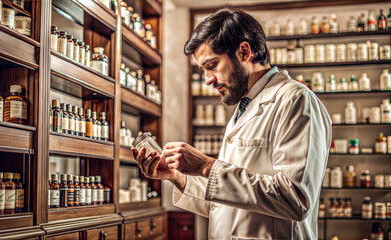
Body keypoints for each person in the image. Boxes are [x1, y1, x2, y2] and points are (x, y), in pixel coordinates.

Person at [132, 8, 332, 240]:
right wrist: (177, 177)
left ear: (244, 52)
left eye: (212, 65)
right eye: (203, 69)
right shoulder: (244, 107)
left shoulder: (296, 100)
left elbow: (296, 200)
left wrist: (207, 166)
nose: (207, 79)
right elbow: (227, 202)